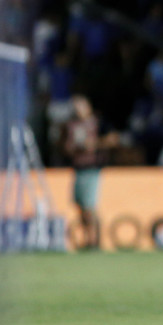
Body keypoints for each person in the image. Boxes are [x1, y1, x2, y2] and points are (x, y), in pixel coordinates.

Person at [61, 95, 118, 249]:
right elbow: (64, 147)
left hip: (92, 169)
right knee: (80, 204)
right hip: (78, 169)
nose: (77, 109)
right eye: (75, 106)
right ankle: (86, 239)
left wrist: (95, 144)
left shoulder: (99, 122)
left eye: (80, 106)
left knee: (89, 206)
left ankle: (94, 240)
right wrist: (73, 148)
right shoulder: (71, 125)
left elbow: (113, 139)